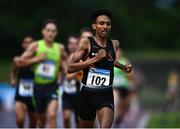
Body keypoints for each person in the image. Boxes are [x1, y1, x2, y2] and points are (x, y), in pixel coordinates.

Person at [67, 9, 132, 128]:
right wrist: (94, 59)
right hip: (87, 94)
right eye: (101, 23)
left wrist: (123, 67)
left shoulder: (114, 44)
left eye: (108, 24)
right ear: (94, 26)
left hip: (106, 95)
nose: (105, 26)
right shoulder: (86, 43)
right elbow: (70, 68)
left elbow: (110, 60)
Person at [14, 19, 66, 128]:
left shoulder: (60, 48)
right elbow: (19, 62)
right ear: (43, 31)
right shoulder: (36, 46)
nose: (50, 33)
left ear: (56, 33)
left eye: (53, 31)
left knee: (52, 115)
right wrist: (35, 60)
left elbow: (65, 65)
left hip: (52, 87)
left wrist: (61, 75)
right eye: (48, 30)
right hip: (37, 87)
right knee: (41, 121)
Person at [10, 35, 37, 128]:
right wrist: (13, 79)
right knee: (20, 119)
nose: (29, 44)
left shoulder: (38, 59)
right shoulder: (17, 60)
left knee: (33, 123)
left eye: (31, 42)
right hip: (20, 94)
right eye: (26, 42)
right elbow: (13, 72)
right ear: (23, 45)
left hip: (34, 95)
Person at [62, 34, 80, 128]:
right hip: (67, 92)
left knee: (78, 122)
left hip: (78, 92)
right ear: (67, 45)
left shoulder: (81, 58)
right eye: (70, 43)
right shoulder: (64, 58)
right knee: (66, 117)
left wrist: (71, 74)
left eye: (75, 43)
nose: (72, 46)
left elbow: (69, 76)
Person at [112, 47, 133, 127]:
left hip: (124, 87)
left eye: (119, 52)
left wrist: (127, 72)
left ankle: (119, 120)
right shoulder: (110, 62)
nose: (118, 54)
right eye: (116, 52)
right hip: (114, 87)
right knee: (117, 103)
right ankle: (114, 122)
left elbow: (131, 75)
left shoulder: (125, 61)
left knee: (125, 106)